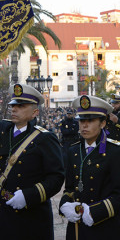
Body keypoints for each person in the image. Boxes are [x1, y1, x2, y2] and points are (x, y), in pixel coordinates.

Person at [59, 95, 120, 240]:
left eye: (90, 120)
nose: (84, 125)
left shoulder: (116, 151)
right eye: (81, 120)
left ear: (103, 123)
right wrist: (64, 204)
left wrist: (95, 212)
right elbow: (69, 188)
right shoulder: (73, 151)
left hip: (106, 226)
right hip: (77, 227)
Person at [0, 84, 64, 240]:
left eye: (21, 106)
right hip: (3, 212)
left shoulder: (45, 138)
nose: (14, 109)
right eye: (13, 105)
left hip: (30, 215)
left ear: (35, 112)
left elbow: (56, 178)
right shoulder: (3, 130)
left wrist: (29, 196)